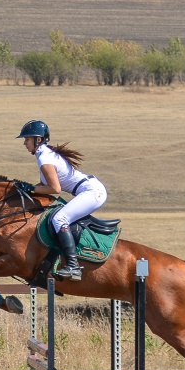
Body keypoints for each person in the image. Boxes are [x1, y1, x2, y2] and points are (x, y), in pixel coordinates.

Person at [15, 119, 107, 281]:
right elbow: (44, 185)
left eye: (27, 139)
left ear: (38, 139)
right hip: (88, 190)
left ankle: (73, 266)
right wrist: (25, 189)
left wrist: (29, 188)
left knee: (59, 218)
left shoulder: (45, 158)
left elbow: (55, 189)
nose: (24, 143)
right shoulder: (44, 155)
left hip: (92, 192)